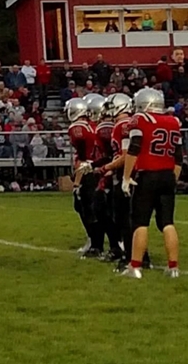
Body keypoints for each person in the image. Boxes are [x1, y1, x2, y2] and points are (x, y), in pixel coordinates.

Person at [120, 88, 182, 279]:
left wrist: (126, 177)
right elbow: (178, 158)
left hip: (147, 175)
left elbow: (134, 149)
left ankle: (135, 266)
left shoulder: (141, 119)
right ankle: (173, 268)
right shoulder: (174, 121)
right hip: (168, 175)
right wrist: (173, 179)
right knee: (167, 222)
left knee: (140, 222)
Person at [99, 93, 152, 272]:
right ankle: (141, 256)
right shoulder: (127, 123)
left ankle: (133, 257)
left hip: (128, 175)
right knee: (131, 219)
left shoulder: (123, 125)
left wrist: (107, 167)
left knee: (126, 220)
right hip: (134, 174)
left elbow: (126, 155)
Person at [65, 97, 102, 257]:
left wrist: (77, 181)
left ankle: (95, 242)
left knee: (85, 206)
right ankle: (104, 242)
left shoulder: (78, 128)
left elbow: (84, 156)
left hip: (89, 169)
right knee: (98, 208)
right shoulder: (94, 126)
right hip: (101, 167)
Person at [88, 95, 123, 263]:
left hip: (115, 172)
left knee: (109, 212)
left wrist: (105, 168)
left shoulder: (107, 128)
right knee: (104, 209)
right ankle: (117, 246)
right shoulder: (112, 126)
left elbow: (114, 154)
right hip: (111, 170)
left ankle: (119, 247)